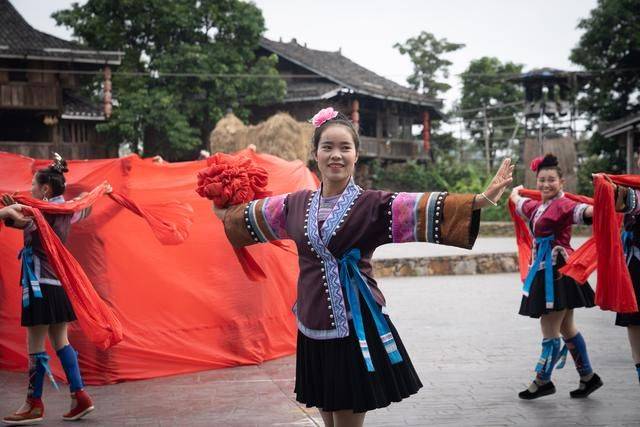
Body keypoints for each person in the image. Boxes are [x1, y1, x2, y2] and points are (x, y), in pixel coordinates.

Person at [213, 107, 513, 426]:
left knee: (345, 419)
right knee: (328, 418)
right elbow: (248, 218)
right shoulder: (294, 204)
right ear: (315, 153)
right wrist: (220, 202)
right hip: (312, 325)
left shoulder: (373, 205)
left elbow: (418, 206)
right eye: (327, 147)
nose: (336, 155)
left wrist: (481, 199)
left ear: (357, 155)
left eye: (345, 147)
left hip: (355, 326)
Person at [2, 154, 111, 425]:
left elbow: (15, 218)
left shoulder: (38, 211)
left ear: (46, 189)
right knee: (61, 341)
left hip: (39, 285)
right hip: (59, 285)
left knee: (35, 345)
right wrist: (95, 193)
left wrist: (8, 211)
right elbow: (84, 207)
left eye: (33, 186)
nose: (31, 189)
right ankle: (80, 395)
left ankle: (34, 404)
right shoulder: (67, 211)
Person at [510, 153, 602, 400]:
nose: (545, 184)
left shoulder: (564, 205)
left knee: (549, 327)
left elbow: (585, 212)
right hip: (548, 270)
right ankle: (588, 377)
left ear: (561, 182)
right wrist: (516, 193)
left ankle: (543, 380)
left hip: (557, 273)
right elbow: (520, 204)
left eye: (551, 180)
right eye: (541, 180)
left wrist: (604, 199)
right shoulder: (539, 206)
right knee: (566, 326)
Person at [603, 165, 640, 386]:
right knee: (633, 319)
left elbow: (628, 202)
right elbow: (621, 203)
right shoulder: (631, 188)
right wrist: (608, 187)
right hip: (635, 265)